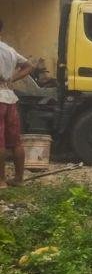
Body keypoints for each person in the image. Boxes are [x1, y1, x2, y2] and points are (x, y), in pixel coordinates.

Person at [0, 19, 35, 188]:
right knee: (15, 142)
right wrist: (11, 79)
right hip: (10, 97)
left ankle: (1, 181)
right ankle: (19, 179)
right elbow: (29, 66)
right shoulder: (9, 50)